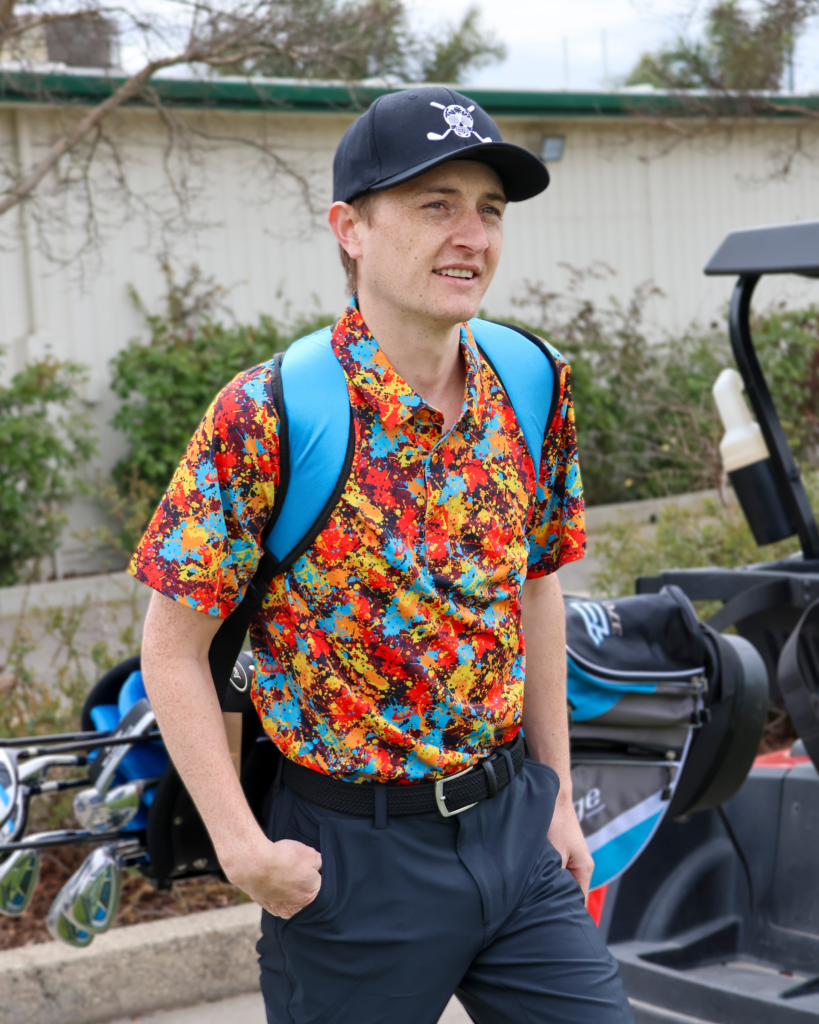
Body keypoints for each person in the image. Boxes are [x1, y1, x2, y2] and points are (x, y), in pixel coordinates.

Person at [134, 86, 634, 1024]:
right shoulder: (272, 411)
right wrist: (243, 851)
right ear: (350, 228)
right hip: (352, 863)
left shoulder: (531, 379)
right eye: (434, 204)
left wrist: (557, 795)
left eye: (488, 209)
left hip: (512, 833)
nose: (471, 236)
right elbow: (171, 645)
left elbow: (536, 590)